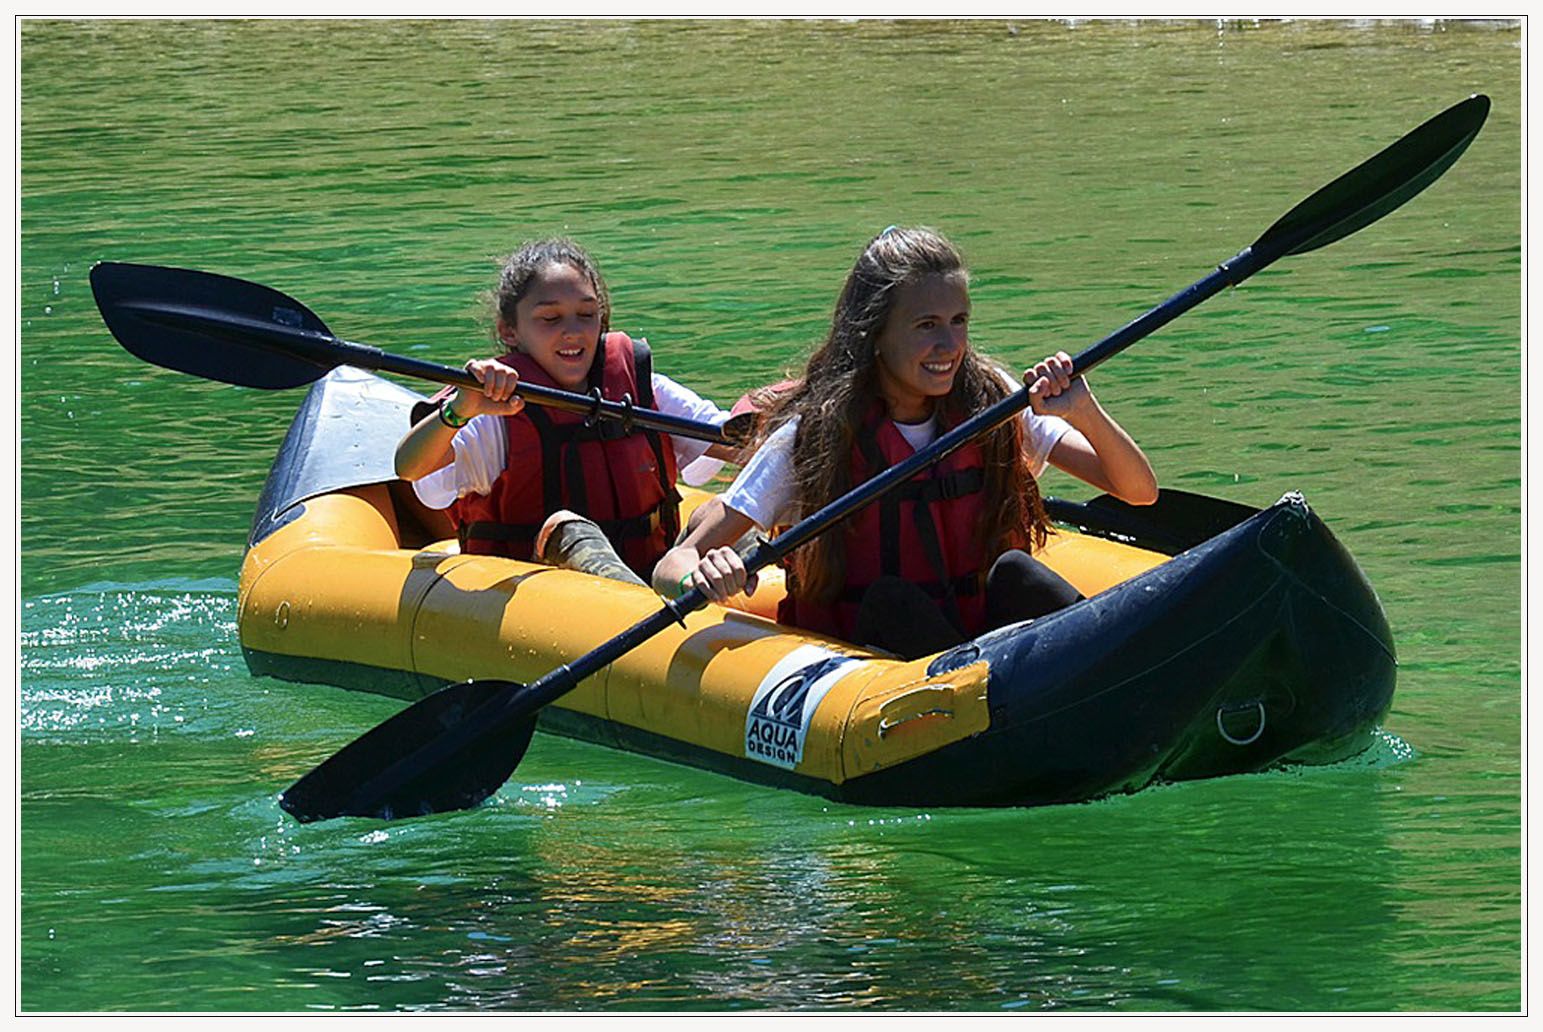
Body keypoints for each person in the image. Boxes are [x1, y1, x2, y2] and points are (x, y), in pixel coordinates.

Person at [651, 226, 1158, 658]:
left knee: (1017, 574)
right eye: (926, 326)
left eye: (959, 321)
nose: (950, 345)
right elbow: (673, 564)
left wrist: (1085, 411)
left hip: (983, 644)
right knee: (892, 599)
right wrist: (701, 577)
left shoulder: (992, 401)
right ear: (874, 334)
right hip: (874, 664)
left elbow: (1138, 492)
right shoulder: (815, 435)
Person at [396, 237, 737, 585]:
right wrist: (461, 409)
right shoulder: (498, 406)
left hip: (649, 571)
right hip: (542, 589)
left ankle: (678, 600)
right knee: (567, 529)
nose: (573, 332)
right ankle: (649, 606)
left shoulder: (640, 387)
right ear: (509, 331)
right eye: (550, 318)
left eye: (586, 315)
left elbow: (735, 441)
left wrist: (784, 415)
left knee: (725, 510)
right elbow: (409, 467)